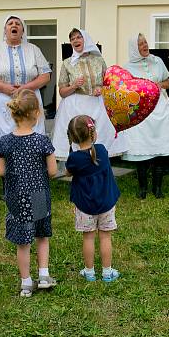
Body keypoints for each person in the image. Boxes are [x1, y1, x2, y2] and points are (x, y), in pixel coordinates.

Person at [0, 89, 58, 297]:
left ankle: (25, 283)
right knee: (41, 235)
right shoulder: (42, 141)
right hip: (39, 194)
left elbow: (1, 171)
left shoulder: (5, 141)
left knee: (22, 241)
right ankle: (43, 276)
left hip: (15, 196)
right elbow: (52, 171)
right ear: (37, 113)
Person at [0, 15, 51, 164]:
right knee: (5, 141)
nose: (14, 25)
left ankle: (28, 172)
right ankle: (6, 175)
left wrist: (25, 88)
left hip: (28, 99)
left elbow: (45, 76)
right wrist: (4, 87)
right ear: (5, 30)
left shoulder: (33, 49)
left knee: (28, 135)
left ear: (23, 30)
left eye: (18, 23)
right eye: (10, 23)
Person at [120, 33, 169, 198]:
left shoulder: (157, 61)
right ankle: (142, 189)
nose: (144, 46)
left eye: (145, 42)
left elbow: (168, 82)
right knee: (142, 148)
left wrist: (158, 85)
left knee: (159, 148)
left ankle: (158, 188)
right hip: (141, 112)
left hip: (160, 108)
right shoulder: (127, 67)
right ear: (134, 48)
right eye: (140, 44)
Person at [52, 28, 126, 160]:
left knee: (100, 135)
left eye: (78, 37)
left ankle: (98, 163)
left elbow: (108, 84)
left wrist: (100, 89)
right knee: (77, 135)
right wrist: (74, 85)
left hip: (97, 104)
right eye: (72, 39)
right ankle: (78, 163)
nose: (75, 40)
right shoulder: (67, 63)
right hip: (74, 105)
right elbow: (62, 92)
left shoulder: (99, 60)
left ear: (85, 39)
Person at [66, 115, 122, 282]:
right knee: (105, 237)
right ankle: (107, 272)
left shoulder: (74, 158)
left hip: (85, 204)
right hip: (106, 202)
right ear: (93, 132)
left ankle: (89, 272)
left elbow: (69, 171)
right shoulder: (102, 151)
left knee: (88, 237)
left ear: (72, 137)